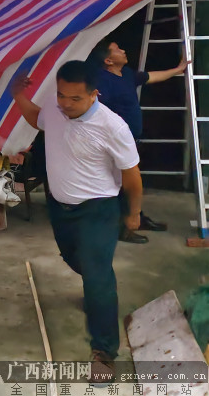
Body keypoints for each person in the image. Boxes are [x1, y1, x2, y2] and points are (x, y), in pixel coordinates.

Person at [12, 60, 143, 383]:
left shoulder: (113, 127)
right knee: (74, 258)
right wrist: (18, 95)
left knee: (97, 277)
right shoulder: (55, 111)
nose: (66, 104)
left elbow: (132, 177)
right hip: (61, 208)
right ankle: (99, 291)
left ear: (94, 94)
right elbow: (36, 117)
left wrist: (134, 213)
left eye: (75, 99)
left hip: (97, 210)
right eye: (61, 96)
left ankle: (104, 352)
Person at [88, 39, 186, 242]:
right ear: (108, 60)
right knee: (121, 185)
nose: (123, 50)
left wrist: (179, 69)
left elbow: (152, 77)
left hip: (132, 138)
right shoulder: (100, 81)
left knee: (129, 183)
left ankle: (136, 218)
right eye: (117, 50)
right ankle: (124, 227)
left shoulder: (127, 75)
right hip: (114, 143)